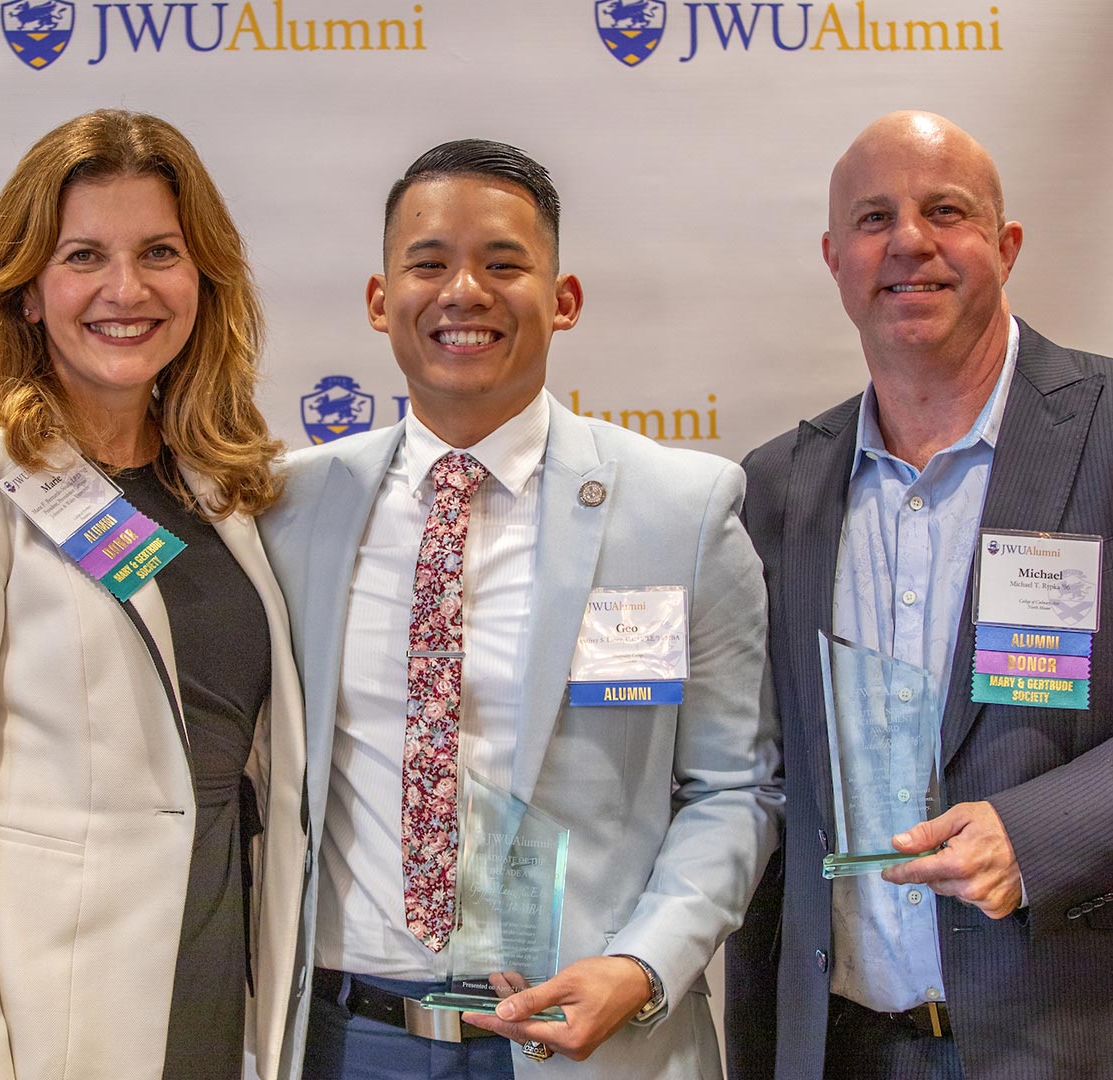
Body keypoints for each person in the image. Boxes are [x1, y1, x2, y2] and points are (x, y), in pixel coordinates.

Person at [723, 110, 1113, 1080]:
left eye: (945, 211)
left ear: (1005, 243)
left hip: (1105, 1030)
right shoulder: (778, 486)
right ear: (833, 257)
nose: (909, 241)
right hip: (851, 1041)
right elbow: (759, 774)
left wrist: (1038, 835)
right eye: (873, 219)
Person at [258, 139, 780, 1079]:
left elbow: (735, 788)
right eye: (428, 263)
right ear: (380, 301)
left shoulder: (681, 511)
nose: (465, 291)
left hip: (591, 1041)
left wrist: (643, 963)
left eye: (504, 264)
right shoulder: (287, 508)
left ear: (564, 297)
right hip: (346, 1038)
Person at [0, 109, 309, 1080]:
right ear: (28, 289)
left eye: (160, 251)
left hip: (224, 976)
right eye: (84, 256)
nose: (127, 289)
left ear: (205, 278)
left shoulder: (227, 481)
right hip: (52, 1017)